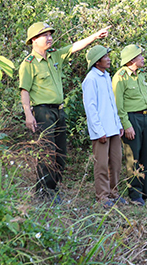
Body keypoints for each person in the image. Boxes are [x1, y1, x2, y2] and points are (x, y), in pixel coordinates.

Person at [18, 22, 109, 202]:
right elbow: (24, 91)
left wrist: (94, 36)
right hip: (42, 112)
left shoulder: (55, 55)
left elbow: (75, 46)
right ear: (34, 40)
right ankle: (45, 192)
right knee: (47, 152)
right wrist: (28, 114)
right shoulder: (28, 64)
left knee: (61, 153)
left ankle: (53, 187)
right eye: (45, 35)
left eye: (50, 35)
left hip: (59, 111)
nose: (50, 38)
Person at [113, 45, 147, 206]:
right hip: (132, 119)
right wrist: (126, 125)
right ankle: (136, 194)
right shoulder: (120, 77)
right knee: (133, 157)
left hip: (146, 118)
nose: (143, 58)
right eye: (140, 56)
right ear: (132, 59)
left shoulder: (141, 76)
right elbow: (118, 105)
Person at [82, 45, 124, 207]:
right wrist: (99, 131)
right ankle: (102, 196)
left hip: (113, 128)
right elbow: (90, 108)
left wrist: (118, 124)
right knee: (101, 164)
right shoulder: (91, 79)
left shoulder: (106, 76)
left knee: (116, 162)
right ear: (97, 61)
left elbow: (111, 104)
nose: (108, 59)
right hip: (101, 131)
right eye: (105, 56)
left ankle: (114, 193)